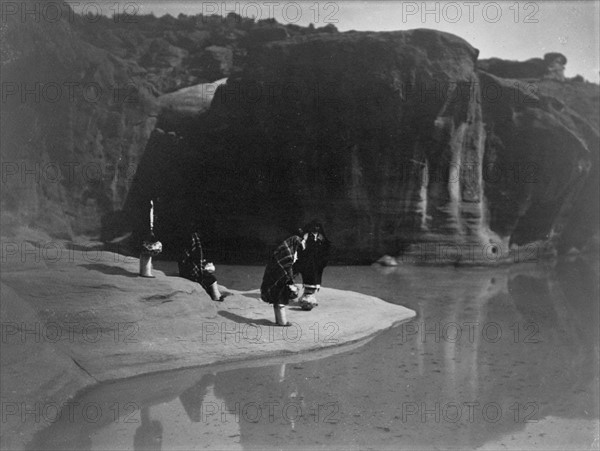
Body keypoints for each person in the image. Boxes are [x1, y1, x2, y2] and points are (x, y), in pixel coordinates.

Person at [260, 234, 305, 326]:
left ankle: (278, 320)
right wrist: (290, 282)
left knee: (277, 301)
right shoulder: (287, 254)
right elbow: (286, 268)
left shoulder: (283, 250)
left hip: (275, 278)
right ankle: (282, 322)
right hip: (280, 280)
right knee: (281, 301)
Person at [179, 230, 225, 302]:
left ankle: (217, 295)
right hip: (190, 274)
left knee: (210, 278)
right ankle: (216, 297)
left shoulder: (188, 246)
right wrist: (203, 269)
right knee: (211, 279)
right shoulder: (194, 240)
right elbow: (194, 263)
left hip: (187, 271)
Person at [296, 220, 331, 310]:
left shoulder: (321, 236)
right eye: (314, 226)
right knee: (308, 277)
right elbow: (301, 246)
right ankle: (306, 298)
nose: (316, 228)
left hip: (317, 261)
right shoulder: (306, 235)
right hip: (308, 261)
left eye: (318, 227)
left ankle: (312, 298)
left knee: (316, 278)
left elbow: (326, 246)